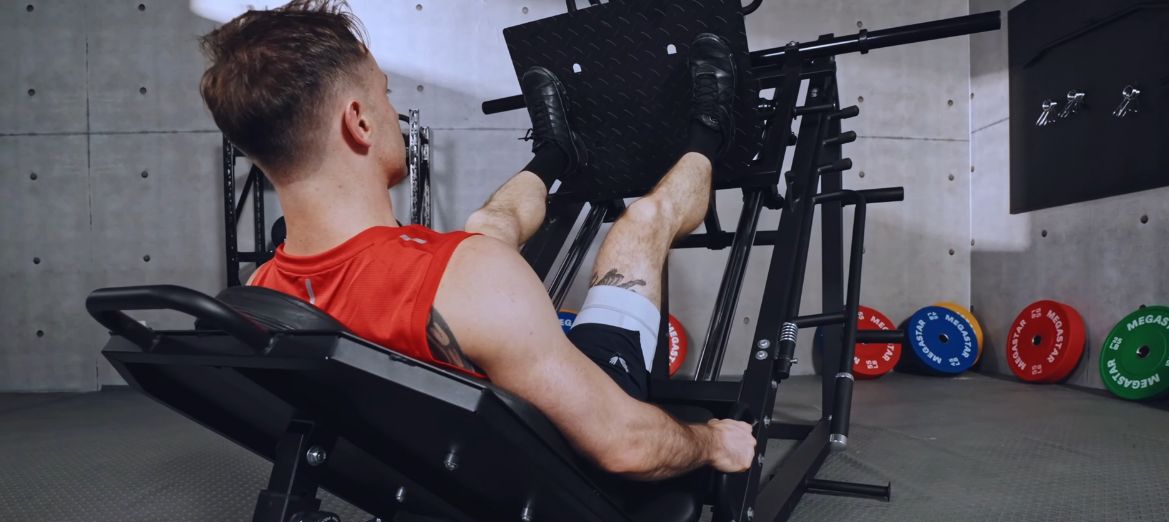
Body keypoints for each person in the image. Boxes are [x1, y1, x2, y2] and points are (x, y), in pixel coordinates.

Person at [199, 0, 755, 481]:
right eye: (384, 97)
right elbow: (626, 445)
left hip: (443, 457)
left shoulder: (263, 294)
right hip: (577, 437)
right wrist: (713, 442)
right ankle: (709, 133)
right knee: (644, 221)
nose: (392, 112)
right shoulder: (472, 280)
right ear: (359, 124)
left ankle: (556, 153)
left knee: (484, 226)